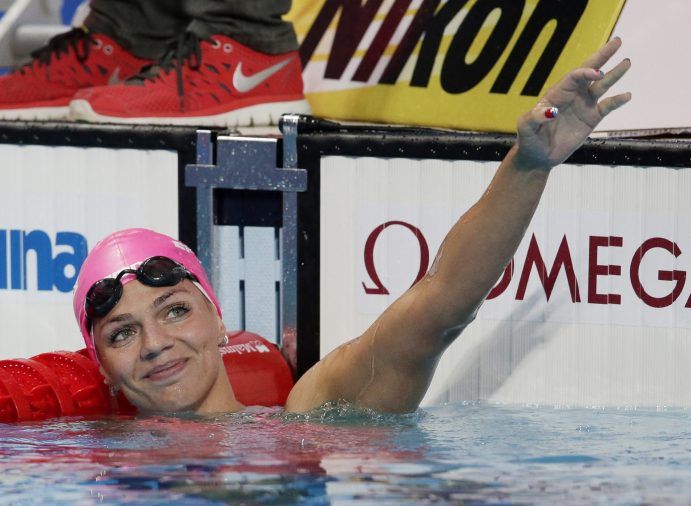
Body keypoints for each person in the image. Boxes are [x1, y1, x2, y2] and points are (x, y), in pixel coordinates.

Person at [73, 38, 631, 414]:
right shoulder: (84, 461)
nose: (155, 344)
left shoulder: (310, 418)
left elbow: (437, 310)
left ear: (219, 321)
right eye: (121, 332)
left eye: (175, 309)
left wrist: (527, 165)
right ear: (100, 366)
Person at [0, 0, 309, 125]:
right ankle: (131, 35)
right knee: (137, 21)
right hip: (142, 32)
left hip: (242, 41)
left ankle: (244, 38)